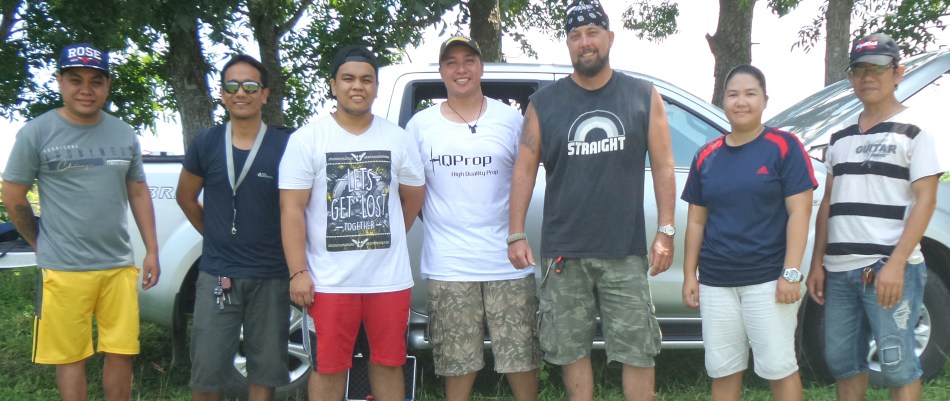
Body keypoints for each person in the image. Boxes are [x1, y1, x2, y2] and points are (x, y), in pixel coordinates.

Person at [507, 1, 676, 400]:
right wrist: (515, 233)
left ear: (610, 37)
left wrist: (666, 230)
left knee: (638, 349)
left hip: (625, 250)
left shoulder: (642, 95)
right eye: (575, 36)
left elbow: (664, 164)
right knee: (570, 349)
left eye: (593, 33)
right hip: (565, 252)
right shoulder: (544, 104)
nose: (585, 42)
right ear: (568, 43)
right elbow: (524, 169)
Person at [1, 43, 160, 401]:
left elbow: (138, 191)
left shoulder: (124, 133)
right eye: (76, 80)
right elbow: (12, 195)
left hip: (118, 265)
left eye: (96, 81)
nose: (86, 90)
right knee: (71, 355)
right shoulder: (36, 132)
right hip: (64, 268)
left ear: (107, 86)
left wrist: (152, 250)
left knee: (122, 351)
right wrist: (38, 242)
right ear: (60, 81)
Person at [279, 45, 426, 401]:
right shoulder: (307, 139)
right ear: (333, 85)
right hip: (329, 282)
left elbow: (414, 197)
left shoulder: (397, 138)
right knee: (328, 367)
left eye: (366, 79)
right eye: (348, 78)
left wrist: (386, 234)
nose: (357, 86)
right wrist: (298, 272)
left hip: (388, 281)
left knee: (389, 364)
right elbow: (291, 209)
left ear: (376, 87)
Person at [806, 32, 946, 401]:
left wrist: (896, 264)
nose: (867, 77)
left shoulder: (916, 131)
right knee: (843, 363)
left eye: (878, 68)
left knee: (898, 366)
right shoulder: (839, 138)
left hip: (888, 269)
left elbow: (926, 200)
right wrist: (818, 263)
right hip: (838, 271)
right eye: (859, 70)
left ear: (898, 72)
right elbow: (829, 203)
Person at [404, 36, 541, 401]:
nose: (460, 69)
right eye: (451, 62)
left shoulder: (510, 120)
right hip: (449, 263)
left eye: (468, 60)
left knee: (522, 354)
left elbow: (527, 175)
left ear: (481, 67)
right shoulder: (420, 126)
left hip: (507, 260)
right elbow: (413, 190)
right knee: (456, 359)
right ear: (441, 71)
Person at [680, 65, 817, 401]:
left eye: (750, 94)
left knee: (779, 368)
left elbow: (799, 213)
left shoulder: (784, 146)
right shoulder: (706, 156)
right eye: (733, 94)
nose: (741, 102)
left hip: (768, 281)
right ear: (723, 101)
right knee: (723, 370)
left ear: (765, 100)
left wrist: (790, 273)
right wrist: (689, 275)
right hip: (716, 282)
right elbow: (696, 221)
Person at [176, 54, 292, 401]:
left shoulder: (286, 145)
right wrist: (215, 235)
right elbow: (185, 197)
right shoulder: (206, 142)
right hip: (219, 273)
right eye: (232, 86)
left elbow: (299, 206)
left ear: (265, 94)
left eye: (251, 86)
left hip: (272, 274)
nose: (241, 93)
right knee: (207, 372)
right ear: (223, 94)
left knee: (265, 370)